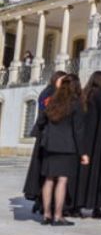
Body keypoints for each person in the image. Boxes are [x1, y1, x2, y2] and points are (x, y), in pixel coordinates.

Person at [36, 74, 89, 226]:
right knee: (62, 180)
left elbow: (40, 121)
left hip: (50, 145)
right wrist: (83, 153)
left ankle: (46, 214)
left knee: (49, 179)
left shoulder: (52, 101)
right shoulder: (76, 103)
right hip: (67, 146)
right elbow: (78, 131)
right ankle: (58, 216)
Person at [23, 70, 67, 213]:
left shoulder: (51, 92)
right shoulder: (49, 93)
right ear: (57, 80)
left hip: (49, 136)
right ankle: (41, 201)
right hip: (46, 136)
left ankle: (42, 201)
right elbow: (47, 112)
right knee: (44, 171)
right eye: (63, 81)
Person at [74, 71, 101, 219]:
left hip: (86, 139)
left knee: (84, 173)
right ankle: (96, 205)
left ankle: (78, 205)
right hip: (99, 141)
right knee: (97, 172)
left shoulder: (87, 94)